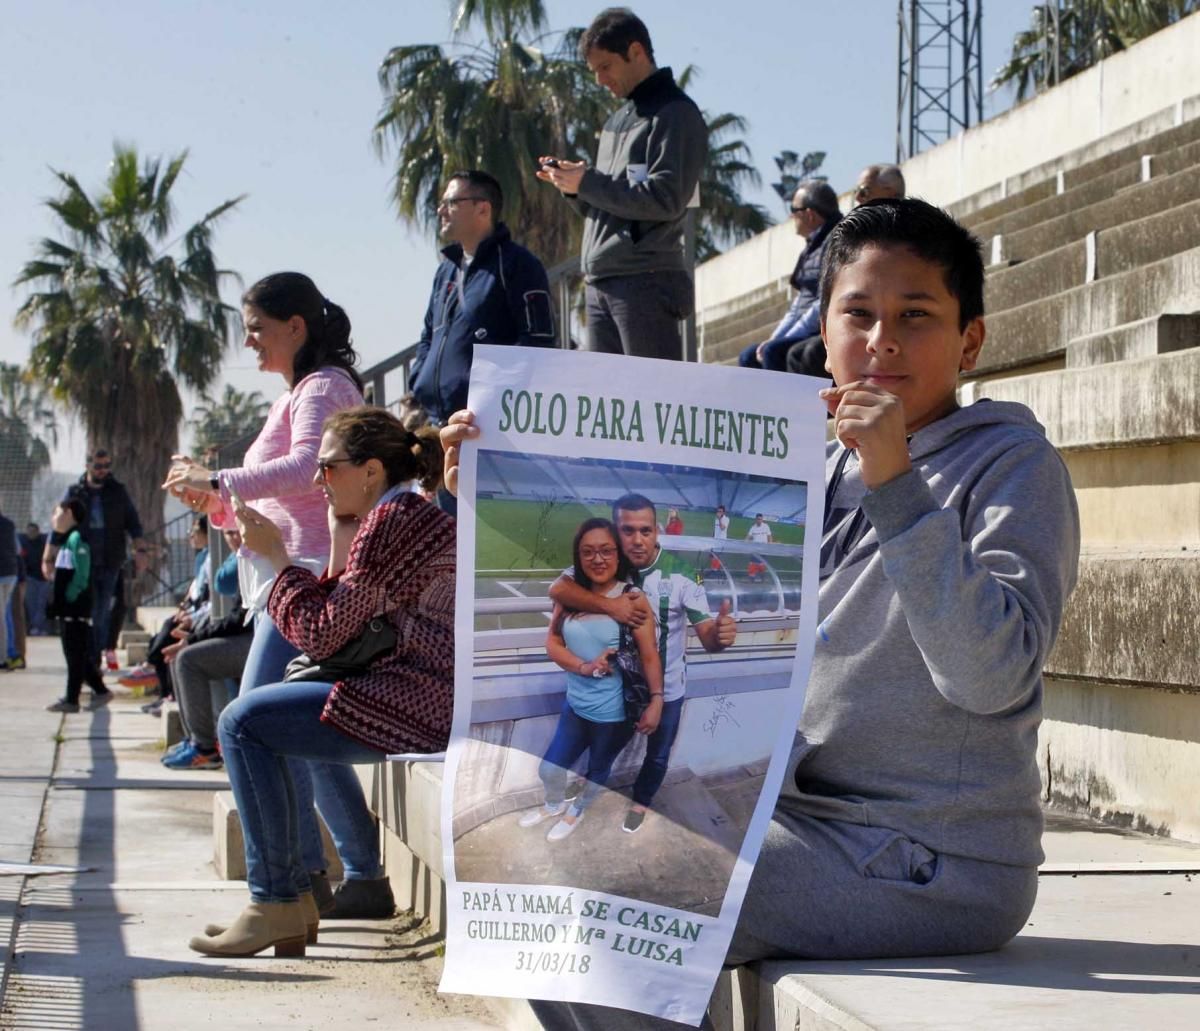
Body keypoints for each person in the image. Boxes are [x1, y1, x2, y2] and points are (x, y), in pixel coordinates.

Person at [513, 197, 1081, 1029]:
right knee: (540, 875)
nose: (882, 339)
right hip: (784, 814)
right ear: (823, 326)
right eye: (859, 313)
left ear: (970, 341)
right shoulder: (806, 461)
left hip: (927, 855)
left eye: (915, 316)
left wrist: (898, 485)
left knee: (616, 901)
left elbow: (989, 677)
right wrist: (494, 468)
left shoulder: (1013, 467)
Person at [188, 405, 453, 958]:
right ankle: (290, 902)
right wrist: (321, 544)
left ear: (371, 471)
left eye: (328, 468)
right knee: (263, 720)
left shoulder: (394, 520)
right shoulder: (397, 515)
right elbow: (340, 618)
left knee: (243, 723)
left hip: (418, 700)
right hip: (417, 691)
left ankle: (276, 902)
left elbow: (322, 633)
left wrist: (278, 560)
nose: (317, 480)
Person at [162, 271, 372, 917]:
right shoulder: (297, 393)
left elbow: (311, 467)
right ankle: (354, 876)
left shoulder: (324, 388)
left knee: (250, 722)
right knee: (299, 731)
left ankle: (289, 887)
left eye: (256, 326)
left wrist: (219, 478)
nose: (249, 340)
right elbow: (270, 504)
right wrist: (216, 504)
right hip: (285, 576)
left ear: (295, 326)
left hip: (306, 576)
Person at [548, 494, 736, 834]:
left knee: (658, 754)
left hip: (668, 687)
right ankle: (587, 788)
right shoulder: (605, 560)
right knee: (604, 749)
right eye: (627, 530)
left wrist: (721, 637)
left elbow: (708, 638)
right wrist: (611, 607)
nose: (637, 539)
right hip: (619, 688)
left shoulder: (682, 573)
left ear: (657, 531)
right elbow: (558, 588)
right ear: (615, 530)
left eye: (645, 530)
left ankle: (641, 801)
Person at [538, 8, 707, 360]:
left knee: (654, 402)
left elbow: (666, 199)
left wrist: (590, 182)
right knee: (612, 406)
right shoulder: (617, 120)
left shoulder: (675, 114)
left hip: (645, 281)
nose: (600, 80)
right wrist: (574, 187)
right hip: (600, 282)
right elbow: (610, 203)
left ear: (636, 52)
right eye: (594, 71)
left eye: (605, 67)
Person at [518, 519, 663, 842]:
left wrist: (656, 699)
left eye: (606, 551)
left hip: (614, 714)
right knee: (549, 769)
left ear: (618, 554)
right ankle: (555, 803)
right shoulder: (572, 592)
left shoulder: (633, 598)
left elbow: (650, 654)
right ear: (578, 556)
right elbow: (553, 642)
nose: (597, 559)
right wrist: (584, 667)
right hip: (576, 704)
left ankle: (578, 809)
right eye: (588, 552)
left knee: (598, 769)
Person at [409, 170, 555, 428]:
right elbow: (428, 336)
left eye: (452, 203)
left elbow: (537, 343)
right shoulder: (445, 271)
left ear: (483, 209)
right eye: (441, 204)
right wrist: (420, 377)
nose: (442, 211)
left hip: (485, 425)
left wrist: (489, 393)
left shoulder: (517, 264)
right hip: (437, 423)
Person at [160, 526, 251, 771]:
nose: (233, 538)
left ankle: (205, 749)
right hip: (248, 633)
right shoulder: (244, 556)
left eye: (237, 531)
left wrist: (193, 639)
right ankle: (195, 742)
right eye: (228, 533)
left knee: (189, 659)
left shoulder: (253, 555)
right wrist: (192, 638)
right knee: (181, 656)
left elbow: (238, 616)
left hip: (260, 639)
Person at [45, 448, 147, 664]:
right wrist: (48, 558)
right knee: (86, 610)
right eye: (98, 466)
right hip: (82, 561)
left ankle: (94, 659)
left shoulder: (117, 491)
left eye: (107, 466)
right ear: (88, 466)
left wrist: (140, 551)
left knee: (101, 611)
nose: (103, 471)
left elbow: (133, 523)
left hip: (110, 560)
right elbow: (59, 526)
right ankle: (87, 658)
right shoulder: (75, 492)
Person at [739, 180, 841, 375]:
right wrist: (775, 336)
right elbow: (798, 303)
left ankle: (777, 405)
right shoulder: (811, 246)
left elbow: (824, 302)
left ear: (810, 214)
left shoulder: (835, 241)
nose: (790, 215)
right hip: (805, 326)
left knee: (773, 352)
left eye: (794, 209)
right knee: (749, 355)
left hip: (819, 327)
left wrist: (786, 337)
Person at [45, 499, 113, 713]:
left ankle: (72, 699)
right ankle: (99, 690)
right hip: (67, 610)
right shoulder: (66, 540)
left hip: (75, 609)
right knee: (75, 654)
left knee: (75, 654)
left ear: (68, 513)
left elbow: (82, 575)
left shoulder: (78, 538)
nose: (53, 518)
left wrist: (70, 596)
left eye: (56, 513)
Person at [20, 523, 50, 637]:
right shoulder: (24, 543)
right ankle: (35, 627)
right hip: (30, 578)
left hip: (44, 578)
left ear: (37, 531)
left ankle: (40, 627)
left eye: (33, 531)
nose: (30, 534)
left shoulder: (44, 542)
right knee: (32, 604)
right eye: (29, 531)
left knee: (41, 604)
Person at [0, 508, 17, 671]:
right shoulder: (9, 524)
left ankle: (2, 657)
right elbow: (17, 549)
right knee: (5, 615)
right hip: (11, 572)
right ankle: (7, 653)